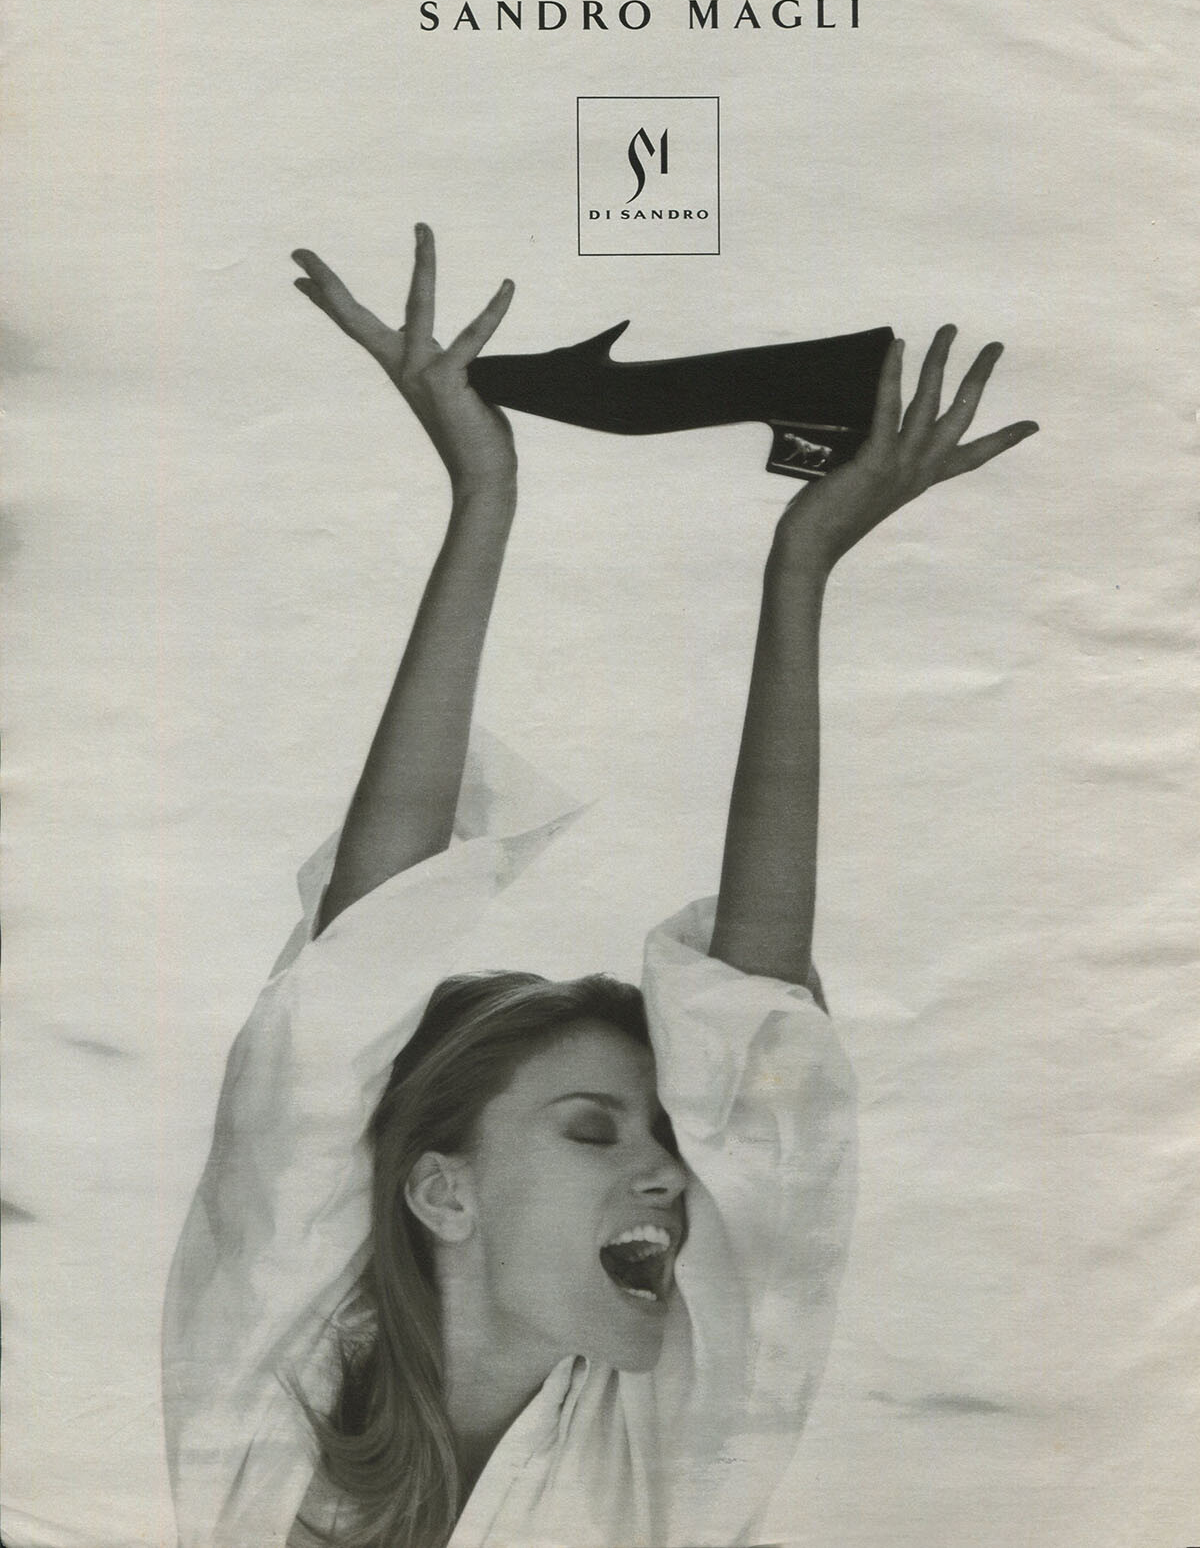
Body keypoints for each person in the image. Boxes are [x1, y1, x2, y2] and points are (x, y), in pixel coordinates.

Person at [162, 226, 1039, 1548]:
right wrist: (781, 565)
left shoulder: (264, 1418)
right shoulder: (662, 1484)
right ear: (442, 1192)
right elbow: (761, 1065)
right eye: (606, 1132)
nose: (675, 1174)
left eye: (611, 1131)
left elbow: (347, 985)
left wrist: (501, 501)